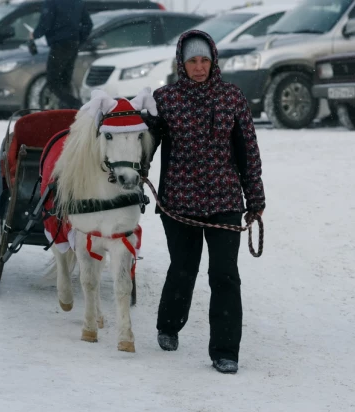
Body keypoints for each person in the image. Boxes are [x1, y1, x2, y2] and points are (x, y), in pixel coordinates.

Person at [145, 30, 266, 374]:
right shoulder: (164, 99)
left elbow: (248, 152)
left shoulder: (231, 98)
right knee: (183, 269)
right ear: (181, 64)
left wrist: (254, 197)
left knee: (225, 274)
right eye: (192, 61)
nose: (199, 68)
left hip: (225, 199)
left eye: (204, 61)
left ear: (213, 62)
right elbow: (146, 144)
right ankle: (168, 325)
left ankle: (225, 350)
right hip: (178, 201)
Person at [31, 0, 93, 109]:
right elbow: (88, 24)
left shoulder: (52, 2)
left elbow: (46, 22)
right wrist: (78, 39)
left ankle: (76, 105)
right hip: (72, 44)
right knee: (65, 79)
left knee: (53, 81)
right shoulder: (78, 2)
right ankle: (67, 110)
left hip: (59, 44)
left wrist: (34, 35)